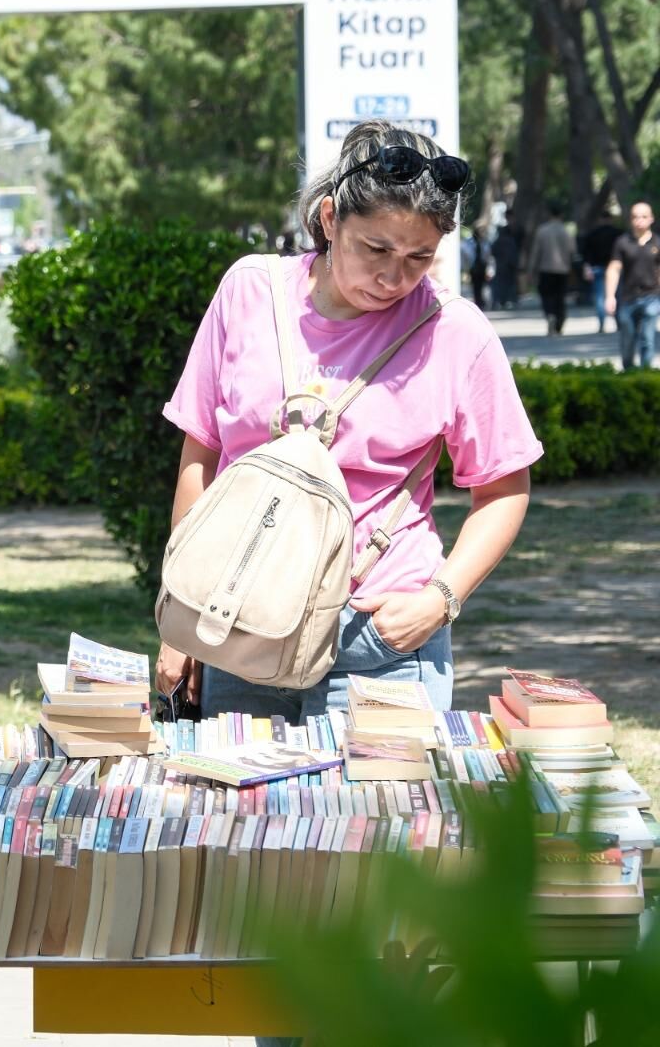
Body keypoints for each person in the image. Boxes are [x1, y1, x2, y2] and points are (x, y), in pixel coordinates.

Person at [156, 119, 542, 744]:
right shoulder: (250, 292)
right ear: (330, 218)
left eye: (420, 257)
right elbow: (200, 458)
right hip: (237, 629)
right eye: (377, 250)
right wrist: (182, 623)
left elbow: (503, 491)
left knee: (383, 834)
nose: (395, 278)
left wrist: (439, 601)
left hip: (383, 644)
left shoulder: (456, 332)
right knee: (248, 836)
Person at [604, 200, 659, 370]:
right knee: (627, 339)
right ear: (630, 220)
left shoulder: (657, 242)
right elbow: (614, 269)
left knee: (647, 338)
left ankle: (645, 373)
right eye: (635, 217)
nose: (639, 220)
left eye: (644, 216)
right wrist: (610, 296)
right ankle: (629, 371)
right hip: (628, 298)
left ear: (651, 219)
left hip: (652, 296)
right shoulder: (622, 242)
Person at [528, 200, 574, 336]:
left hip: (546, 269)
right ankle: (559, 323)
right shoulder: (566, 231)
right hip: (563, 270)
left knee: (547, 296)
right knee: (560, 298)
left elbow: (536, 252)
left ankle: (550, 315)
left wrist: (531, 270)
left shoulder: (542, 231)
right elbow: (573, 251)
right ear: (561, 214)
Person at [578, 204, 623, 334]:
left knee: (599, 297)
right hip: (615, 268)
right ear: (611, 219)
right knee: (616, 295)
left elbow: (585, 253)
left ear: (600, 219)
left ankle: (602, 323)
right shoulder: (618, 234)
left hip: (597, 267)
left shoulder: (592, 234)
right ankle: (618, 322)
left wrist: (587, 267)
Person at [490, 212, 521, 309]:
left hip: (500, 265)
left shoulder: (498, 241)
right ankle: (511, 300)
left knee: (499, 284)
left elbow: (493, 251)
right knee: (510, 284)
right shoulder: (511, 241)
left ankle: (499, 301)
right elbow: (514, 253)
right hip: (510, 266)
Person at [466, 223, 491, 309]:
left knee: (482, 286)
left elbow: (487, 255)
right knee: (475, 286)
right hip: (473, 267)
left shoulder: (484, 242)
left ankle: (481, 301)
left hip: (482, 267)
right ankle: (478, 302)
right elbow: (466, 253)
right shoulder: (470, 242)